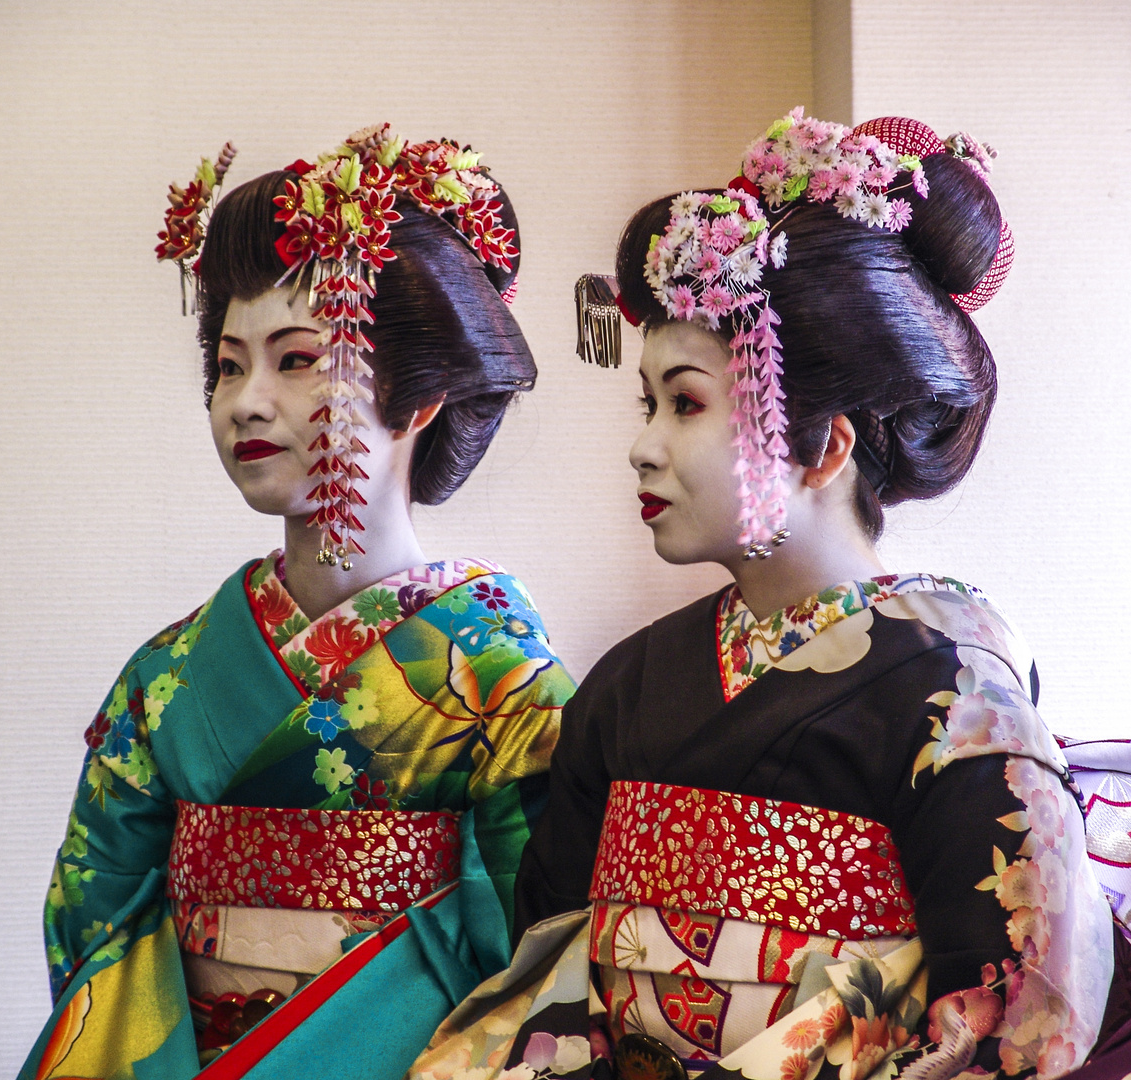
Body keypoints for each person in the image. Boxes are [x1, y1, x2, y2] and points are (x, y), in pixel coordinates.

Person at [408, 112, 1125, 1080]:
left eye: (686, 402)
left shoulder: (958, 693)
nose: (643, 444)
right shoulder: (626, 686)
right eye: (646, 402)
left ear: (824, 444)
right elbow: (550, 966)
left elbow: (1018, 1022)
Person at [20, 124, 574, 1080]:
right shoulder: (166, 672)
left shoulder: (501, 681)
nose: (245, 400)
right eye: (228, 365)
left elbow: (533, 955)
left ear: (419, 395)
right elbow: (92, 918)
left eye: (297, 357)